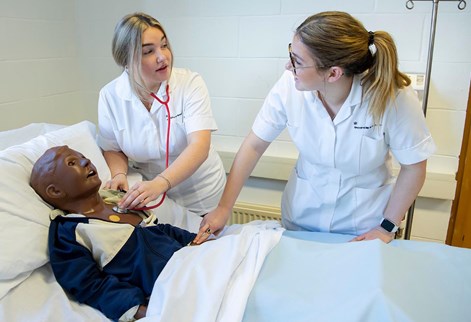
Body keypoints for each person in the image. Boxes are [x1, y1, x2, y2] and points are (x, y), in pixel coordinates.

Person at [194, 11, 436, 244]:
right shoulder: (290, 86)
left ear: (333, 73)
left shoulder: (392, 95)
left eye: (297, 61)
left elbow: (414, 167)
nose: (288, 67)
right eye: (291, 54)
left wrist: (386, 228)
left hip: (362, 228)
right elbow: (254, 145)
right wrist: (224, 208)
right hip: (301, 219)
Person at [30, 145, 199, 321]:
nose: (85, 160)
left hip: (196, 262)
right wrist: (137, 309)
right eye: (72, 162)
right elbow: (89, 285)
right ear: (55, 191)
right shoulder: (68, 232)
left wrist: (199, 242)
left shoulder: (120, 200)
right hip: (173, 287)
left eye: (82, 155)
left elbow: (159, 230)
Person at [97, 12, 226, 216]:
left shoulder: (189, 83)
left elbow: (199, 145)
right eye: (149, 51)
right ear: (126, 60)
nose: (162, 56)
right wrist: (119, 174)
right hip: (154, 198)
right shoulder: (110, 96)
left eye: (164, 45)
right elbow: (112, 148)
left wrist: (160, 183)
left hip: (202, 194)